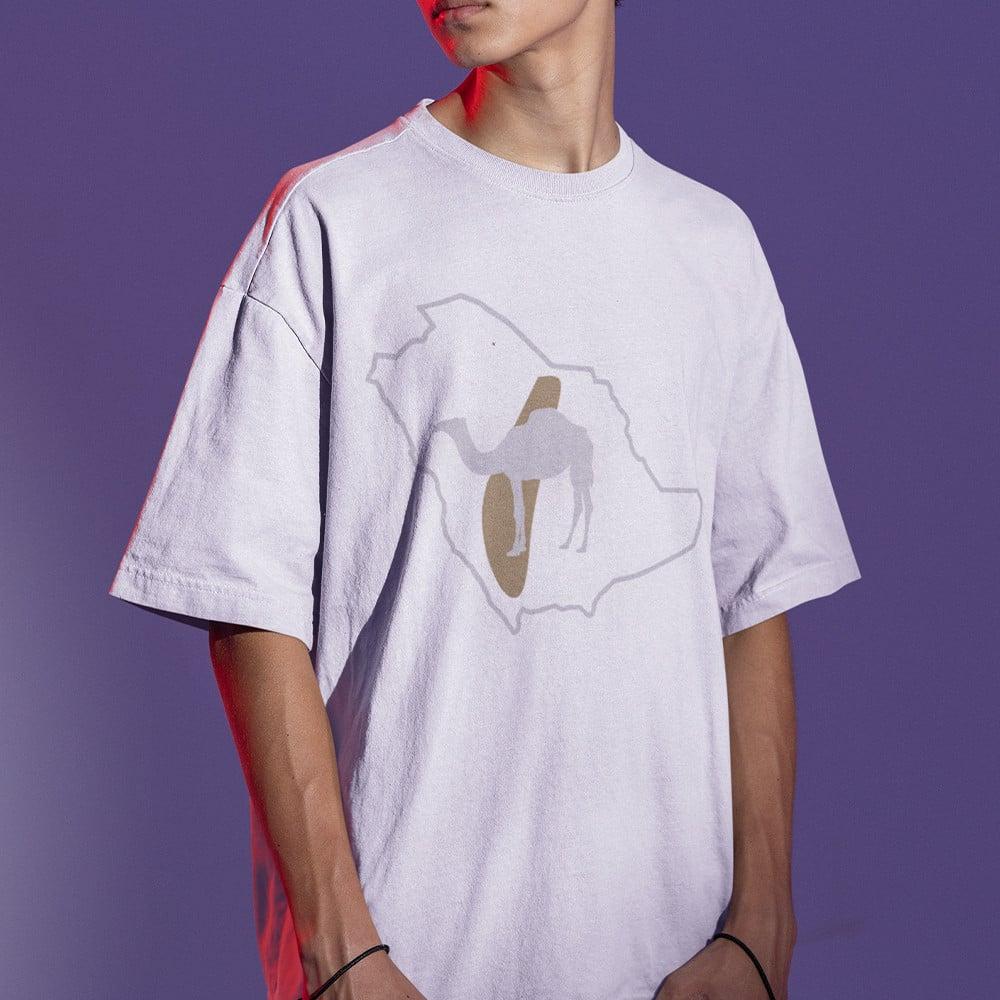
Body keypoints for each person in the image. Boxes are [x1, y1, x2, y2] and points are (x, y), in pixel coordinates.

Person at [108, 2, 860, 998]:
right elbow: (244, 595)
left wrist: (761, 930)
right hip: (408, 962)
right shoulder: (336, 217)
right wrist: (341, 951)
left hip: (670, 963)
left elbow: (753, 592)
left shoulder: (712, 247)